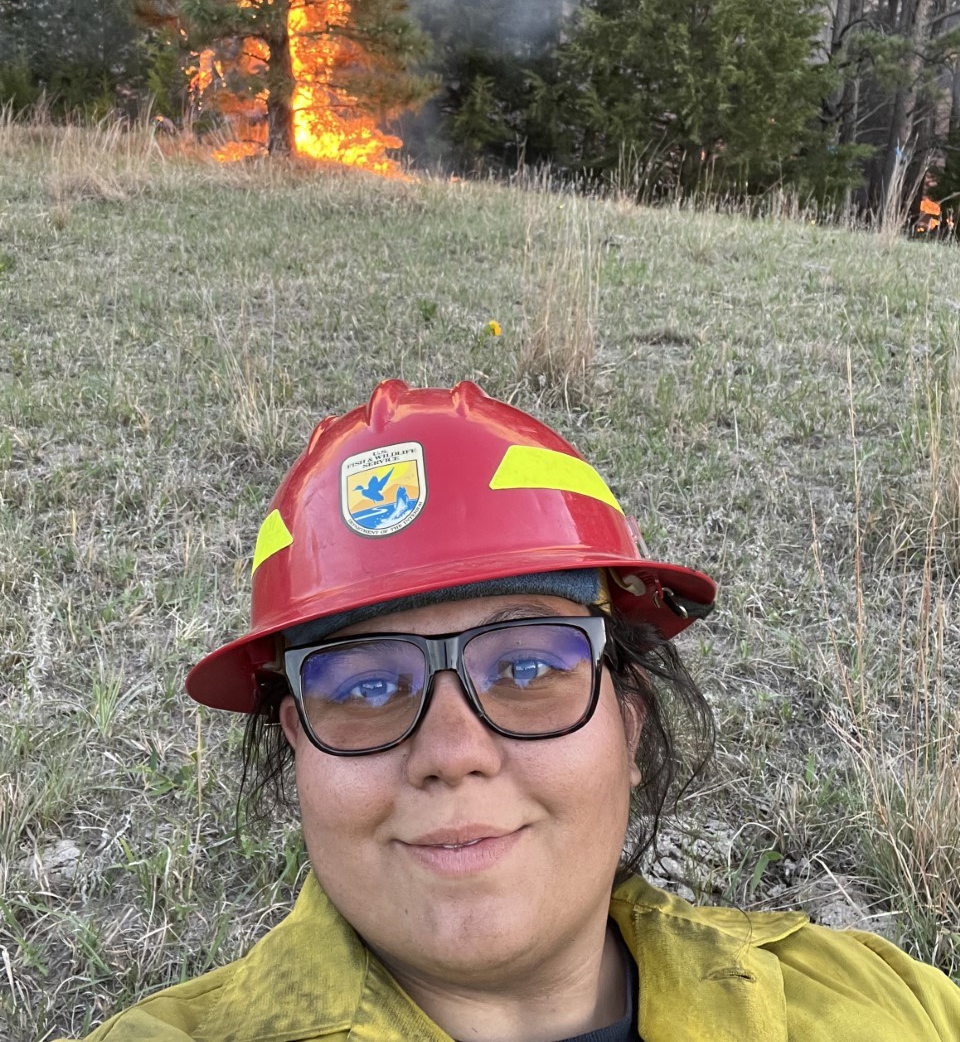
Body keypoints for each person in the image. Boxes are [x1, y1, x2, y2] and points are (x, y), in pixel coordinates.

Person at [62, 379, 960, 1041]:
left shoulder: (880, 1004)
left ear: (631, 725)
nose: (453, 752)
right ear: (299, 748)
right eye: (366, 688)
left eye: (530, 665)